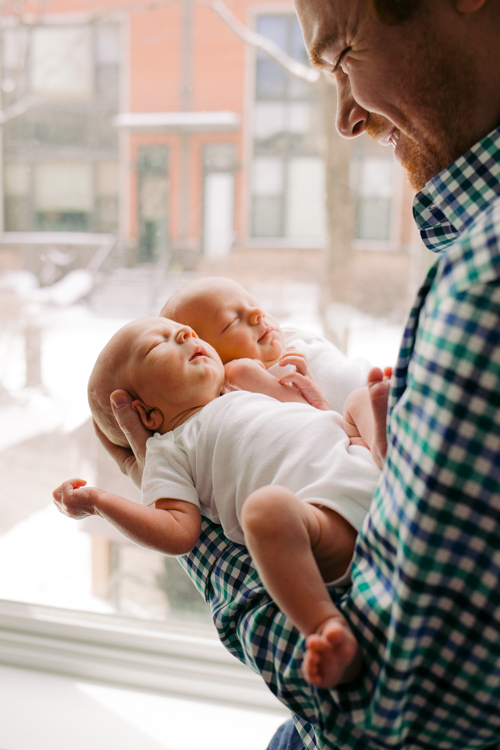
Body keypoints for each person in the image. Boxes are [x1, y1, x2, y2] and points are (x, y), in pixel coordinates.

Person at [90, 1, 500, 747]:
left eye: (343, 56)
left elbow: (389, 716)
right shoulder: (467, 258)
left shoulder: (482, 284)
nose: (346, 118)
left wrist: (202, 520)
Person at [54, 316, 387, 688]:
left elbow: (315, 409)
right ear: (146, 413)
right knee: (266, 512)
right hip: (327, 522)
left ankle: (391, 454)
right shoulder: (169, 449)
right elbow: (177, 532)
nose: (185, 332)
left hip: (364, 465)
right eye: (158, 344)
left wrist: (298, 379)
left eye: (190, 332)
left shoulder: (242, 386)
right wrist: (101, 500)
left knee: (360, 400)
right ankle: (325, 627)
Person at [160, 275, 371, 415]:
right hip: (367, 428)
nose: (257, 314)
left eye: (254, 303)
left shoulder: (294, 338)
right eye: (232, 321)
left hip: (384, 388)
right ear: (207, 359)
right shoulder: (242, 391)